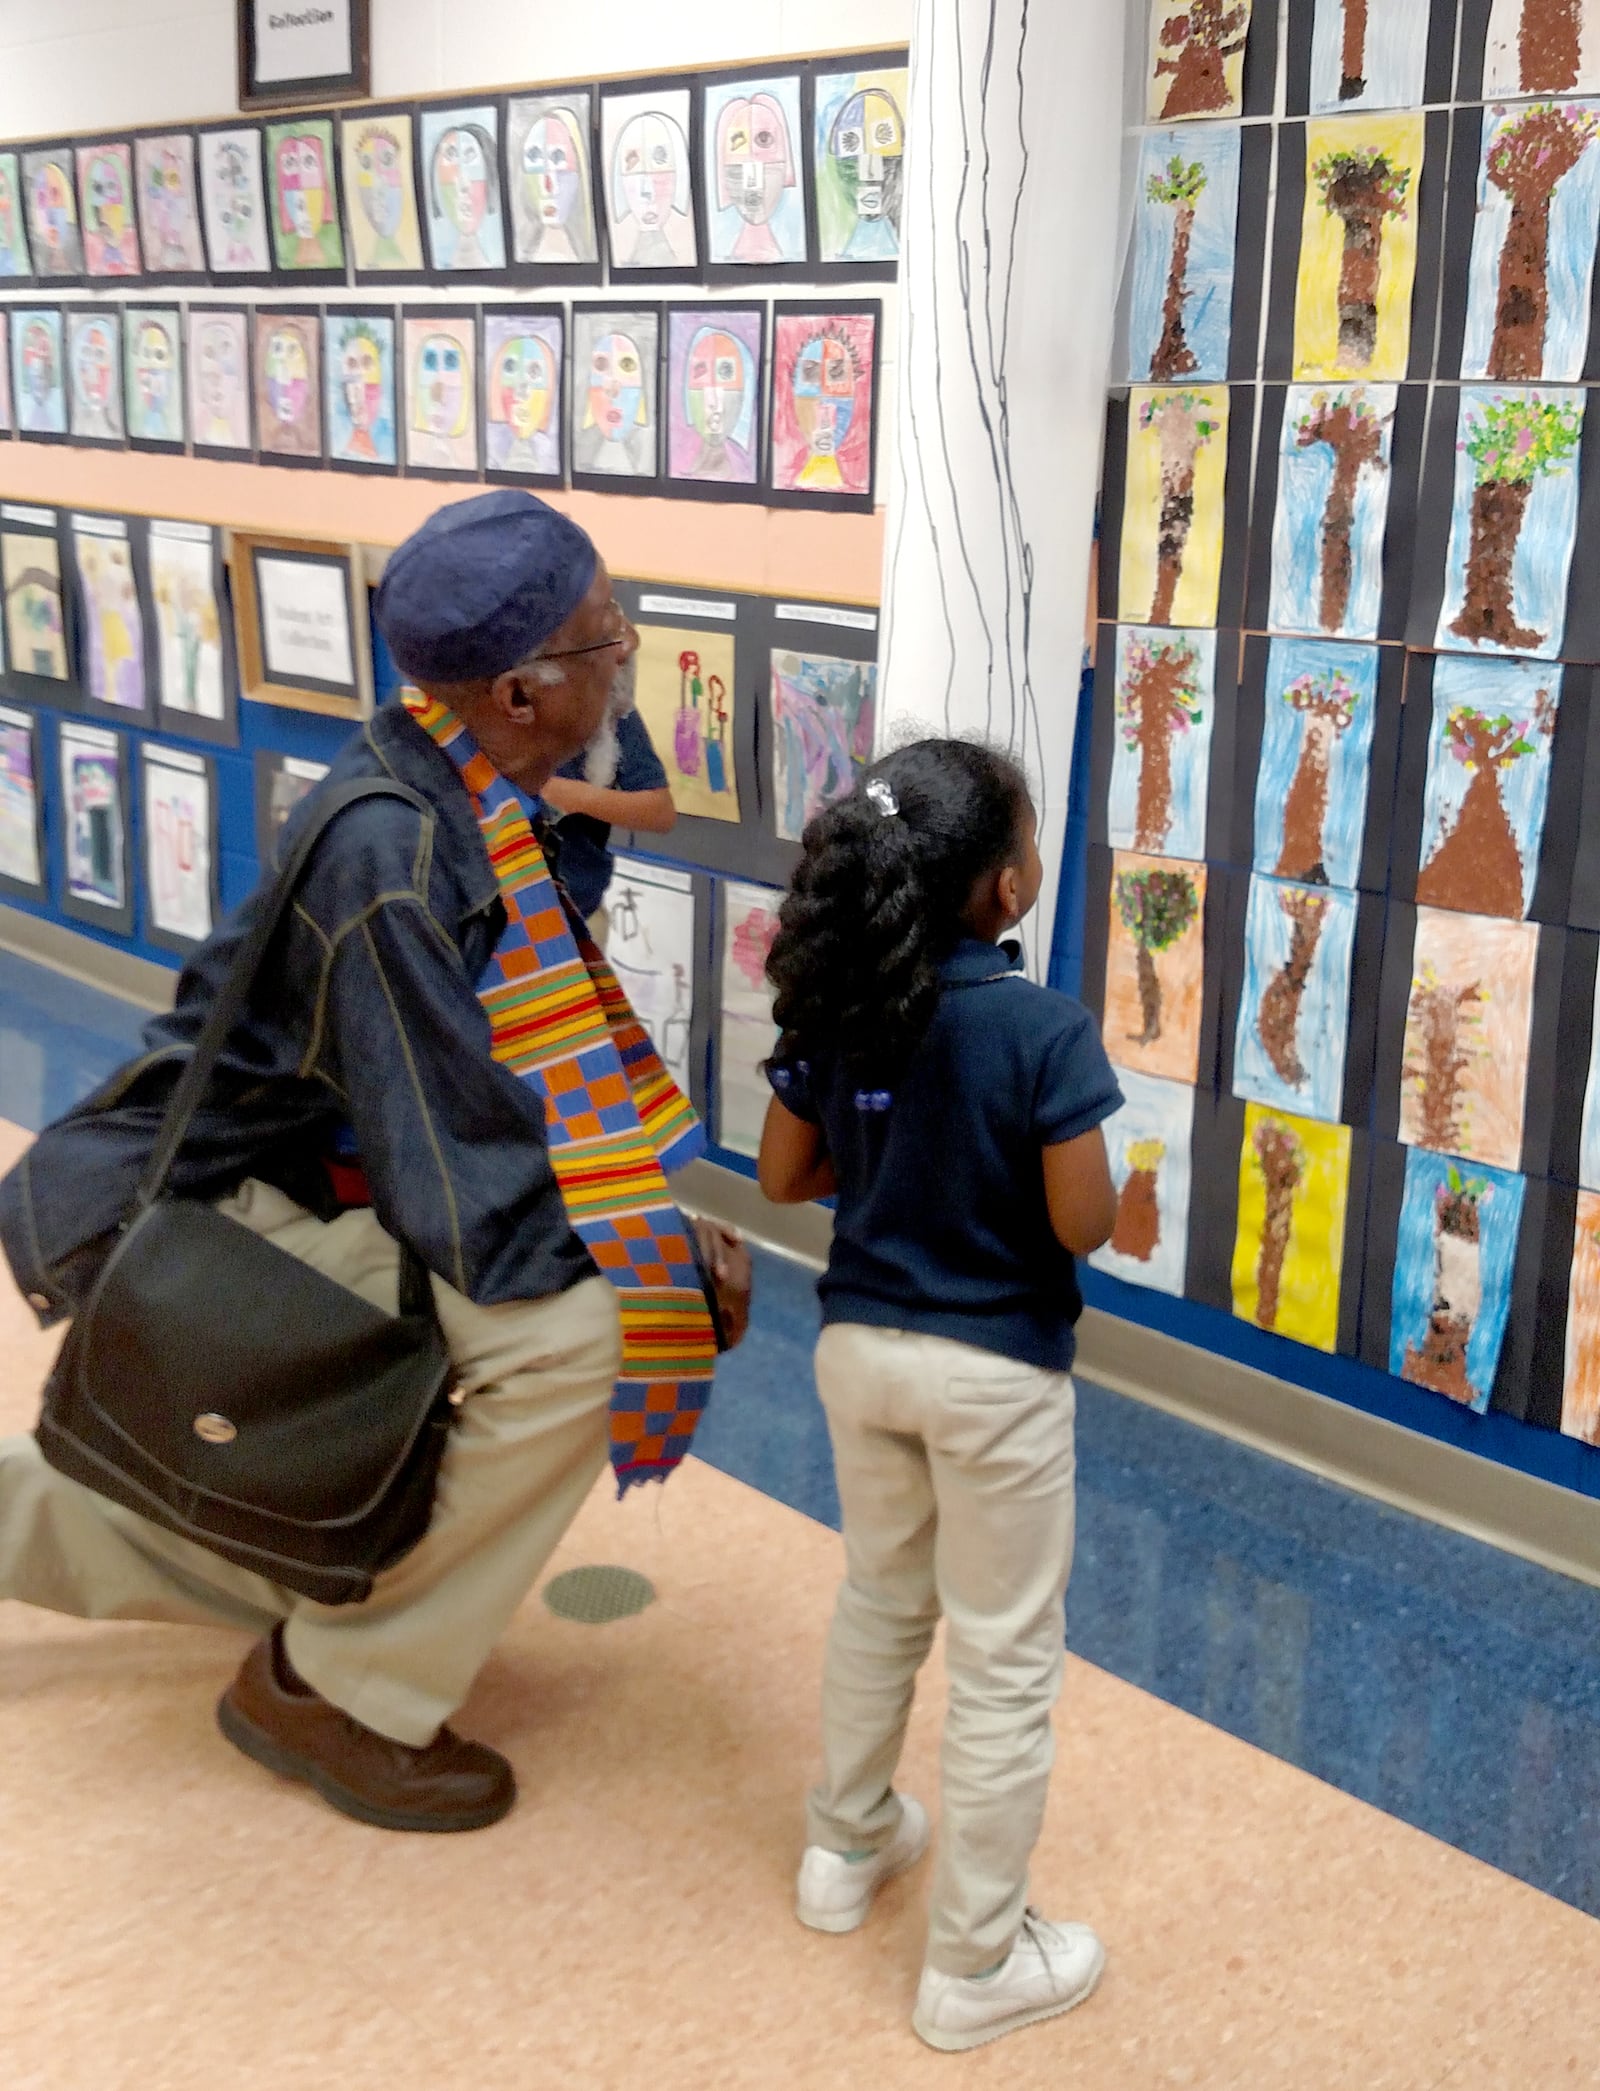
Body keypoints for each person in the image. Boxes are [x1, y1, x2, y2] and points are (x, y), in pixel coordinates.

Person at [0, 489, 730, 1836]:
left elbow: (513, 1086)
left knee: (144, 1483)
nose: (624, 656)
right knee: (593, 1332)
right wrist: (652, 1253)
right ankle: (333, 1685)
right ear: (519, 690)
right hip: (212, 1210)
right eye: (605, 638)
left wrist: (643, 1214)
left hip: (334, 1170)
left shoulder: (479, 784)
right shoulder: (392, 852)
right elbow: (469, 1186)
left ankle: (330, 1601)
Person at [757, 739, 1122, 2054]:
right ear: (1005, 887)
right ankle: (975, 1962)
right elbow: (1081, 1223)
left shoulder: (838, 1002)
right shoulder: (1039, 1027)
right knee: (1006, 1657)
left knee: (880, 1596)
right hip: (997, 1376)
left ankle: (842, 1850)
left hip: (859, 1351)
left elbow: (783, 1179)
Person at [541, 656, 676, 946]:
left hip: (575, 910)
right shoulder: (466, 694)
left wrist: (571, 795)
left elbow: (659, 812)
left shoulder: (603, 698)